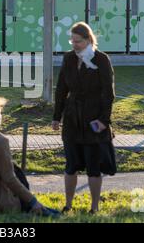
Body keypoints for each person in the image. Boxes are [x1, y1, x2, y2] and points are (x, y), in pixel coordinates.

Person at [52, 22, 117, 214]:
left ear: (88, 39)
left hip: (94, 120)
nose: (74, 44)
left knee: (93, 167)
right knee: (70, 165)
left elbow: (108, 93)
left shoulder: (102, 59)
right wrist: (57, 117)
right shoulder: (69, 58)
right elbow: (61, 90)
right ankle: (68, 204)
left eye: (78, 41)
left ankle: (94, 207)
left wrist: (104, 121)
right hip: (72, 120)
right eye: (72, 40)